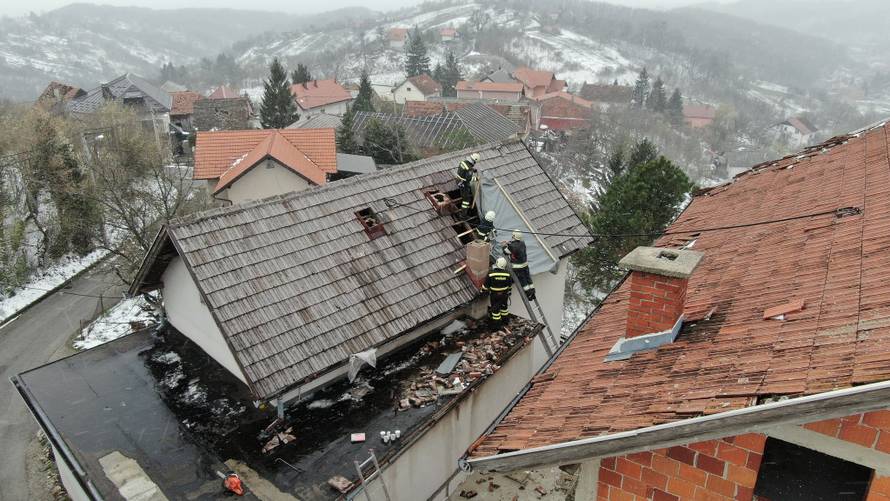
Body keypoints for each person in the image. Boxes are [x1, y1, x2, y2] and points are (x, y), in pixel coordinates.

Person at [503, 230, 535, 300]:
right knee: (528, 278)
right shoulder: (522, 243)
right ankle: (533, 292)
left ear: (514, 236)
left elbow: (506, 252)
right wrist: (509, 244)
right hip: (525, 265)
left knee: (523, 280)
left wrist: (504, 246)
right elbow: (516, 247)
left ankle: (528, 294)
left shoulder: (512, 246)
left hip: (518, 267)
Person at [481, 257, 512, 326]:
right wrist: (509, 291)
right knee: (504, 308)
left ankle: (497, 324)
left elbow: (486, 285)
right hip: (504, 295)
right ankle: (505, 321)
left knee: (495, 311)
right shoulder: (508, 274)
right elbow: (509, 285)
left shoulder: (491, 273)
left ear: (497, 263)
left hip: (494, 295)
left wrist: (483, 291)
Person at [456, 153, 480, 218]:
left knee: (466, 193)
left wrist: (472, 170)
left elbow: (464, 170)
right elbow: (468, 179)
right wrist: (476, 179)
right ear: (474, 161)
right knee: (466, 200)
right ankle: (463, 215)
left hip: (458, 180)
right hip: (463, 184)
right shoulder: (469, 169)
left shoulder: (463, 162)